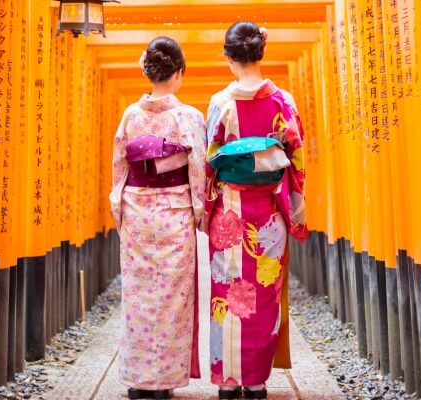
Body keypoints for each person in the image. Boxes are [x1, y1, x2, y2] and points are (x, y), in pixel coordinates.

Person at [203, 21, 308, 400]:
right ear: (261, 52)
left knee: (227, 291)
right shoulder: (284, 101)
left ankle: (228, 381)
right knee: (264, 293)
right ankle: (256, 381)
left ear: (229, 57)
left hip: (230, 211)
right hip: (267, 215)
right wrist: (295, 207)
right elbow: (295, 162)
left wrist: (206, 207)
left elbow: (210, 159)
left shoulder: (220, 103)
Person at [109, 36, 207, 400]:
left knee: (137, 294)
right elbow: (198, 170)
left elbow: (119, 167)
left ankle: (138, 380)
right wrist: (201, 213)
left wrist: (119, 209)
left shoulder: (131, 116)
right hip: (174, 212)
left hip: (136, 210)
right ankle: (163, 381)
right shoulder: (189, 117)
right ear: (179, 73)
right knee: (171, 297)